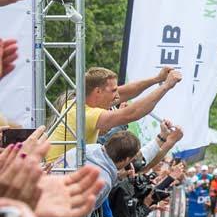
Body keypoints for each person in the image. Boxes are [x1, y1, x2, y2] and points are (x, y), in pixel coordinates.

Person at [46, 66, 182, 162]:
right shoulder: (85, 114)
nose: (117, 96)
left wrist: (157, 79)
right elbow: (131, 113)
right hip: (57, 177)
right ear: (98, 92)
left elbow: (125, 92)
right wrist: (166, 86)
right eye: (113, 91)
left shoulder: (81, 103)